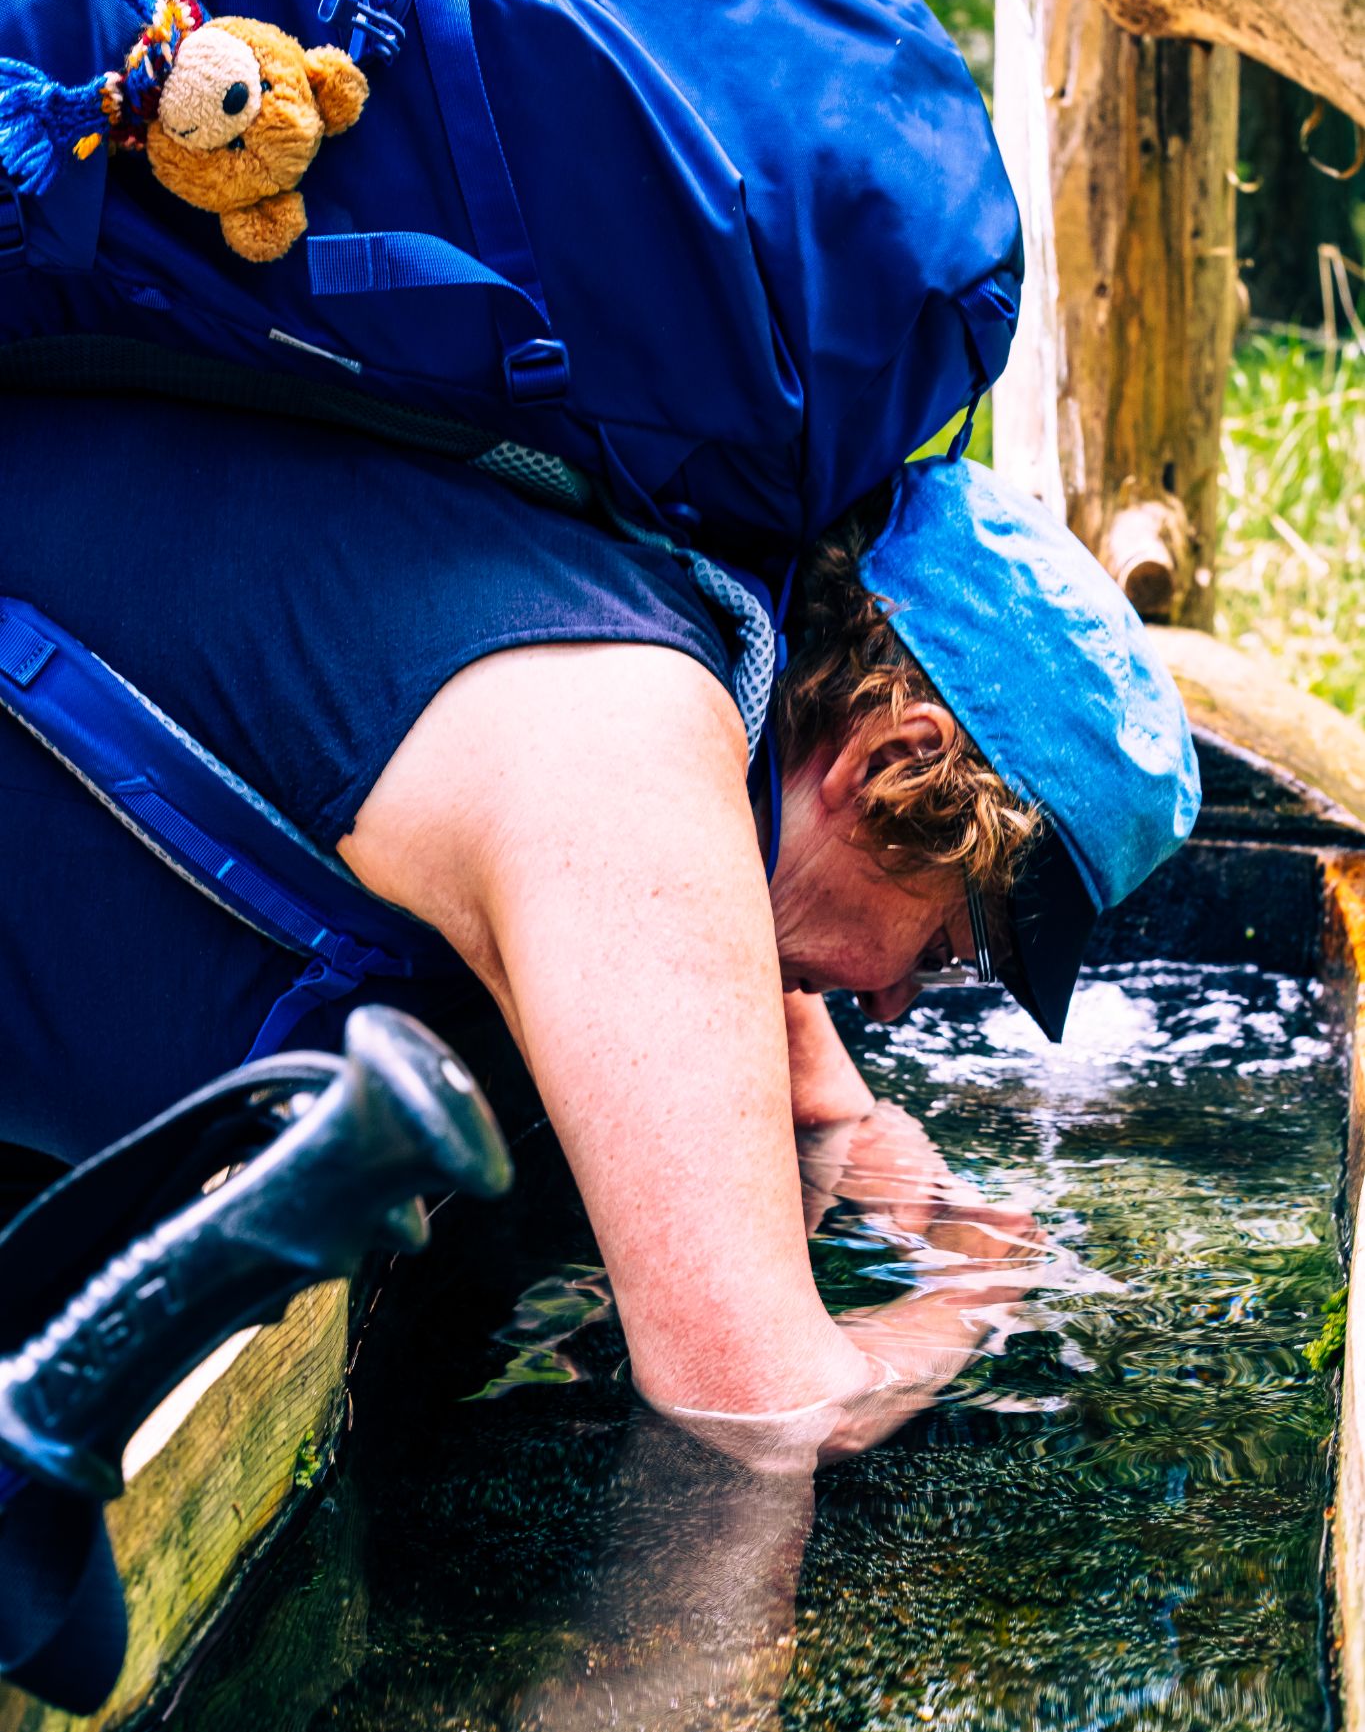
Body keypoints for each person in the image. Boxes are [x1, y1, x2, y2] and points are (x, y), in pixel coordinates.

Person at [0, 386, 1198, 1451]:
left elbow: (770, 1017)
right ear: (890, 763)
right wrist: (973, 1301)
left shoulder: (659, 631)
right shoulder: (629, 757)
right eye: (946, 945)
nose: (891, 997)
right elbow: (764, 1404)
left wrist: (877, 1153)